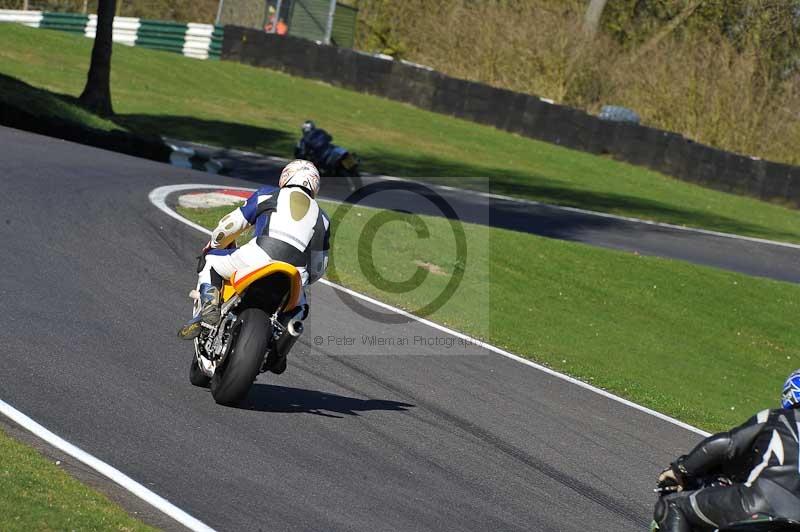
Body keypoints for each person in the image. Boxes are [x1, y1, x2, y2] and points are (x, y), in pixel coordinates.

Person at [178, 160, 330, 346]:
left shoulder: (268, 194)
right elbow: (318, 267)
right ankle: (281, 346)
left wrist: (215, 244)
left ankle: (209, 309)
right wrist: (305, 279)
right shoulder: (323, 219)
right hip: (296, 272)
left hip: (258, 256)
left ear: (286, 176)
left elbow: (229, 226)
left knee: (211, 261)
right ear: (315, 185)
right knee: (301, 307)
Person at [651, 369, 800, 531]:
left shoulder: (777, 417)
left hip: (760, 502)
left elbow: (727, 444)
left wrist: (679, 470)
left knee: (671, 505)